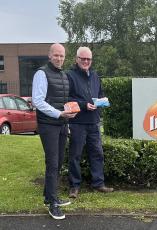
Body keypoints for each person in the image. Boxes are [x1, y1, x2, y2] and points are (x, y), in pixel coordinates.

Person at [32, 43, 77, 220]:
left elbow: (62, 100)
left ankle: (50, 196)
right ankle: (53, 204)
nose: (59, 58)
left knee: (57, 162)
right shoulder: (41, 73)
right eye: (56, 55)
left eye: (62, 56)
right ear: (49, 55)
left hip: (62, 124)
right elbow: (37, 101)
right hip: (48, 125)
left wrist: (69, 111)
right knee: (52, 163)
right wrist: (59, 113)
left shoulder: (63, 75)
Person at [67, 46, 114, 199]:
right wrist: (83, 105)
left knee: (97, 153)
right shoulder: (70, 76)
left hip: (94, 121)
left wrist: (101, 101)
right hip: (78, 122)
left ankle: (98, 183)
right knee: (75, 155)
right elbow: (67, 98)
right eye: (83, 58)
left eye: (88, 59)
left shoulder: (95, 75)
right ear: (77, 59)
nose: (86, 61)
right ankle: (74, 186)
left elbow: (99, 93)